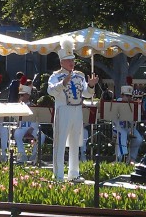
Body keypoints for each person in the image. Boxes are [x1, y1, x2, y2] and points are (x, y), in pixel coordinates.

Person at [48, 36, 98, 182]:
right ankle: (58, 175)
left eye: (73, 60)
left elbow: (87, 94)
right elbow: (51, 91)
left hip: (77, 111)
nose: (72, 63)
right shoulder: (55, 76)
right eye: (69, 60)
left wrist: (91, 85)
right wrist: (62, 83)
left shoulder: (80, 76)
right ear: (62, 62)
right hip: (63, 110)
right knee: (60, 142)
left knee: (75, 142)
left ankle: (74, 173)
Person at [13, 81, 46, 164]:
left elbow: (37, 119)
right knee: (17, 134)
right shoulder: (17, 106)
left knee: (41, 136)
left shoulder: (33, 106)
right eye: (20, 95)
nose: (21, 96)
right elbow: (15, 118)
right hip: (21, 127)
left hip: (32, 127)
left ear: (28, 95)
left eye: (23, 95)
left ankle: (34, 155)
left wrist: (32, 127)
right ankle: (22, 155)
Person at [112, 85, 143, 163]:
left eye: (130, 96)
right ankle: (121, 157)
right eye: (127, 95)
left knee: (138, 139)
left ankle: (131, 158)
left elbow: (135, 121)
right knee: (123, 134)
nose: (129, 97)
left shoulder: (133, 105)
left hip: (129, 128)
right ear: (122, 95)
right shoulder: (117, 103)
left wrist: (138, 108)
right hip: (117, 127)